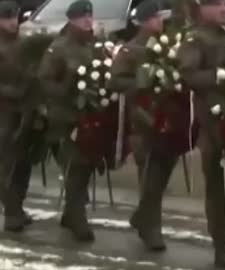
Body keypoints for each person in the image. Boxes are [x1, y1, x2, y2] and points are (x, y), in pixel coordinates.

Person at [177, 0, 225, 267]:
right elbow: (188, 75)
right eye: (217, 4)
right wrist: (219, 76)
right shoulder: (195, 39)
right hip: (212, 123)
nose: (224, 8)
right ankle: (222, 247)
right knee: (218, 188)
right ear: (203, 8)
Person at [108, 0, 179, 251]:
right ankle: (151, 230)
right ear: (146, 20)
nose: (162, 21)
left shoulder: (166, 47)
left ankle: (142, 217)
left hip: (168, 122)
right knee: (149, 176)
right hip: (142, 122)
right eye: (157, 18)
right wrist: (143, 83)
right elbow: (115, 82)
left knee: (162, 176)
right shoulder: (130, 50)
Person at [37, 0, 96, 242]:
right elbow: (44, 81)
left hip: (90, 116)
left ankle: (71, 211)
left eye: (89, 16)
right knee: (76, 166)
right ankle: (76, 217)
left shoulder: (94, 46)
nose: (87, 20)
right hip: (64, 117)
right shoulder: (59, 48)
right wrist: (66, 86)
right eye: (82, 17)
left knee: (85, 165)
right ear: (71, 20)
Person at [0, 0, 34, 233]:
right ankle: (11, 211)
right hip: (3, 113)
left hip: (24, 111)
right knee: (4, 167)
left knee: (23, 164)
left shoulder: (23, 44)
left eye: (16, 16)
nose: (14, 21)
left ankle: (17, 207)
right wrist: (12, 91)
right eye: (7, 17)